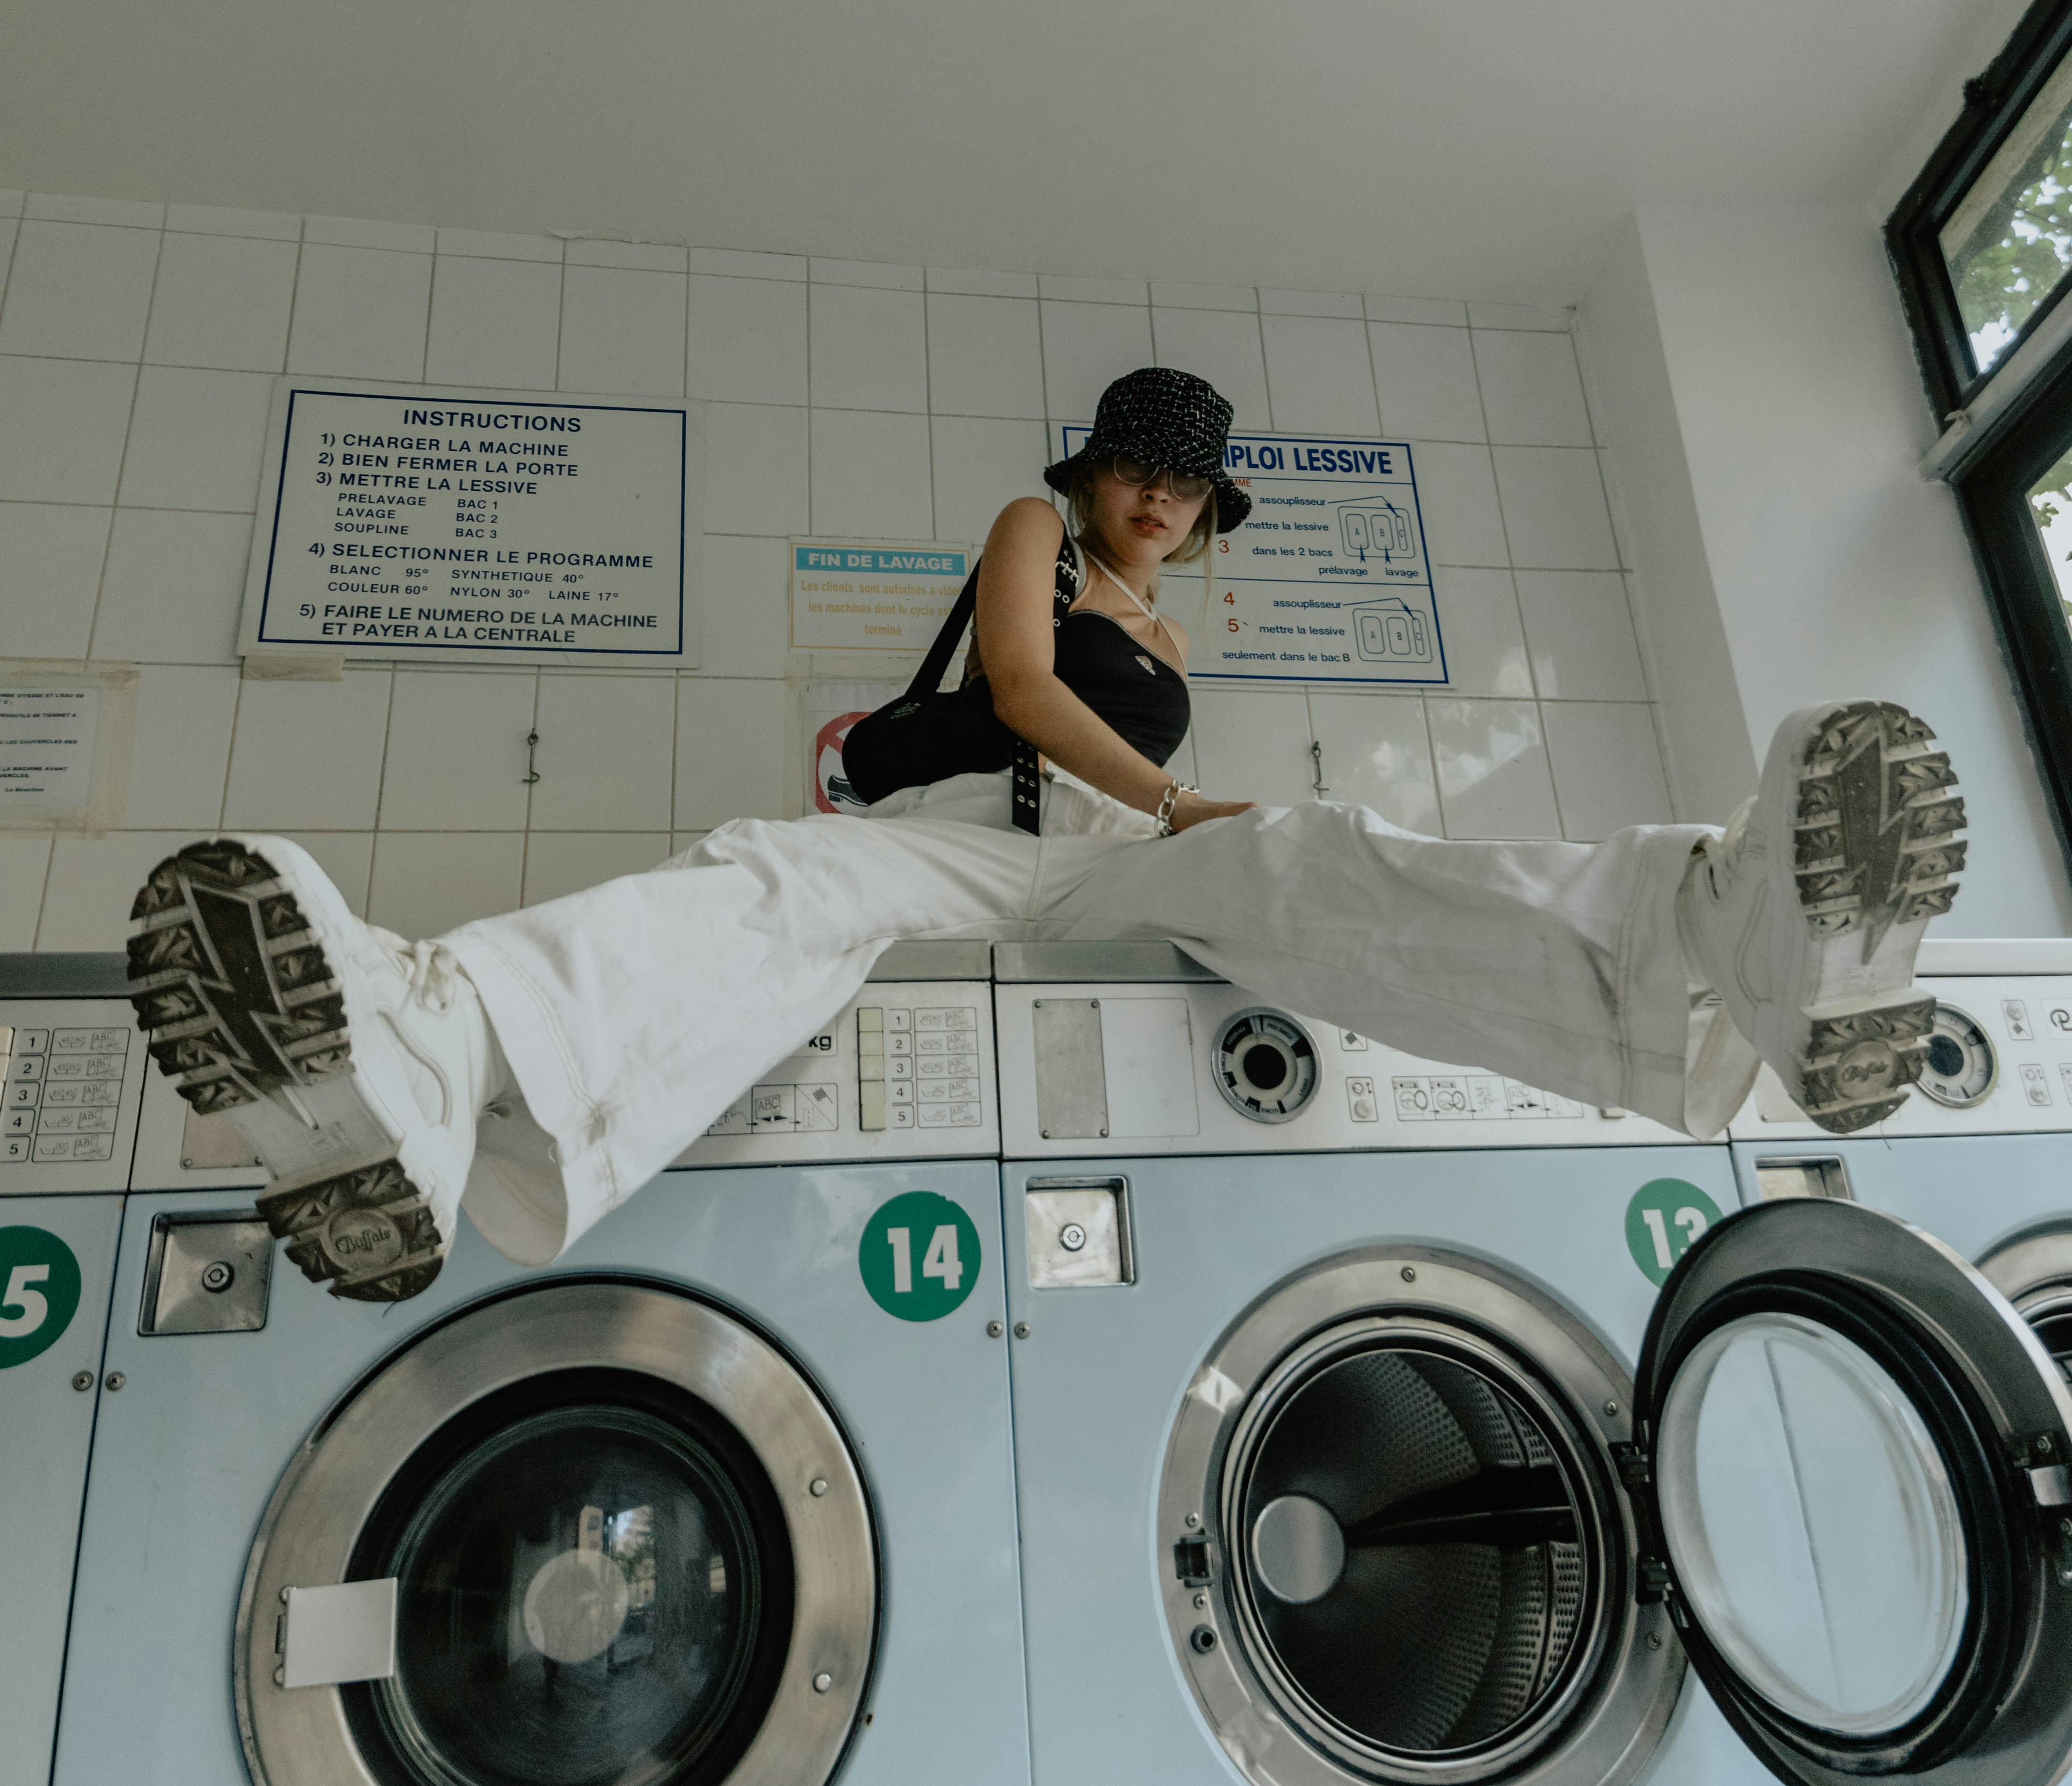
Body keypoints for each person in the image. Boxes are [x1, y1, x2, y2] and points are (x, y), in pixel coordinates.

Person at [124, 368, 1966, 1305]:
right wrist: (1174, 793)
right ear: (1092, 465)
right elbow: (1016, 688)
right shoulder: (1042, 534)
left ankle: (1730, 943)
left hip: (1114, 855)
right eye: (1141, 464)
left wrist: (1192, 813)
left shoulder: (1175, 625)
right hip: (968, 830)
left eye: (1188, 480)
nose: (1162, 498)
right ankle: (415, 1058)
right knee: (771, 880)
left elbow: (1167, 803)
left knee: (1318, 861)